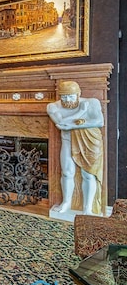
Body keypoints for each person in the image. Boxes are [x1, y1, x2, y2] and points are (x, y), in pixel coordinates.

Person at [46, 81, 104, 215]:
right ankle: (66, 202)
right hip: (67, 141)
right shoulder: (52, 107)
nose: (67, 100)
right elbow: (60, 124)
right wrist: (81, 112)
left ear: (79, 94)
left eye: (71, 96)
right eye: (64, 96)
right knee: (67, 172)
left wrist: (72, 125)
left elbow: (100, 122)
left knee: (88, 175)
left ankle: (87, 208)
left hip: (90, 142)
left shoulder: (92, 102)